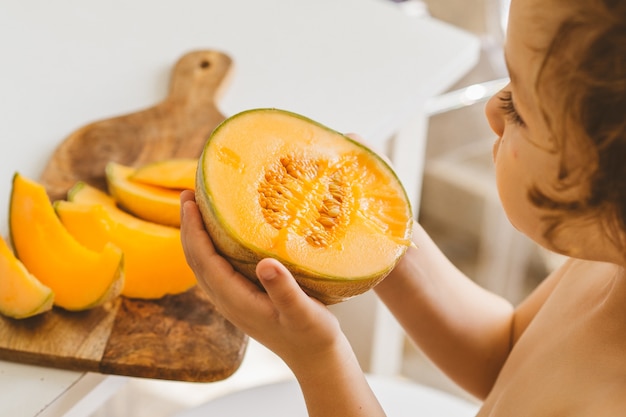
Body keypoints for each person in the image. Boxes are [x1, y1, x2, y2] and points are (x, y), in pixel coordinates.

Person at [179, 0, 626, 415]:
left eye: (521, 108)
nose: (493, 110)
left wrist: (317, 359)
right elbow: (503, 354)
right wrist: (385, 234)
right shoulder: (609, 255)